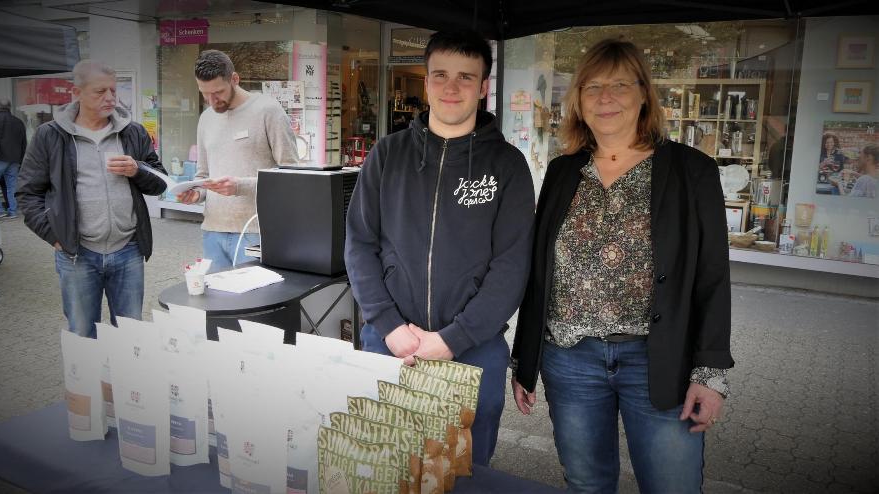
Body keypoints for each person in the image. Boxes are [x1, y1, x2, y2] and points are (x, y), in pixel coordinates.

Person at [510, 38, 733, 493]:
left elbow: (712, 277)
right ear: (578, 100)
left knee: (672, 487)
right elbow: (540, 273)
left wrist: (710, 375)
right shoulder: (563, 171)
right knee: (586, 484)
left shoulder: (692, 171)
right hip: (570, 360)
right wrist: (525, 360)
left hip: (657, 360)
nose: (605, 97)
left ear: (644, 95)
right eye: (592, 87)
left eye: (620, 85)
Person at [344, 30, 535, 466]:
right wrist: (390, 326)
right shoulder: (387, 154)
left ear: (483, 87)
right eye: (441, 75)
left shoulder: (507, 165)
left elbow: (512, 265)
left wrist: (454, 339)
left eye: (466, 76)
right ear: (427, 80)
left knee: (465, 471)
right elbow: (359, 244)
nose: (452, 87)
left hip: (474, 348)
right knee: (386, 466)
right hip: (391, 342)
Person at [17, 60, 167, 338]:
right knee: (83, 335)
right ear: (77, 93)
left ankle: (123, 369)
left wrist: (137, 170)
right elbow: (27, 193)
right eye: (100, 91)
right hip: (78, 254)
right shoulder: (50, 135)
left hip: (128, 250)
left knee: (130, 335)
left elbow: (160, 182)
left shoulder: (132, 132)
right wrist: (55, 236)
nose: (110, 98)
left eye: (113, 90)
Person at [177, 49, 299, 271]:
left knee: (257, 295)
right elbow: (203, 175)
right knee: (216, 294)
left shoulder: (268, 110)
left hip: (256, 233)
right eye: (205, 94)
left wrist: (240, 186)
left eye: (218, 92)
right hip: (212, 231)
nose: (212, 101)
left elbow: (291, 176)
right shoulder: (205, 119)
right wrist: (197, 193)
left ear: (235, 79)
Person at [0, 98, 27, 219]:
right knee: (12, 185)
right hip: (14, 159)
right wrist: (20, 158)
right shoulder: (18, 122)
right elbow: (23, 142)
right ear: (10, 107)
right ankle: (13, 211)